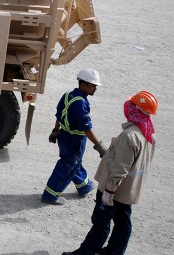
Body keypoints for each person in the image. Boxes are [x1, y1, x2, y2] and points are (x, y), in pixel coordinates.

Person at [62, 91, 158, 255]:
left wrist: (109, 191)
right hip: (128, 191)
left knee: (100, 222)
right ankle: (114, 252)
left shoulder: (130, 136)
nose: (128, 107)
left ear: (136, 110)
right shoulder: (148, 134)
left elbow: (121, 167)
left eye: (132, 105)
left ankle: (86, 252)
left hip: (114, 190)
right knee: (123, 223)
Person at [42, 68, 107, 205]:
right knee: (67, 165)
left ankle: (85, 186)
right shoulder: (80, 103)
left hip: (63, 136)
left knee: (73, 162)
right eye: (92, 86)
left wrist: (55, 131)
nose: (95, 88)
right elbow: (87, 129)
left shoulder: (67, 95)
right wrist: (99, 146)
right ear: (83, 85)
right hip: (75, 140)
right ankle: (50, 194)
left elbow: (59, 115)